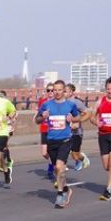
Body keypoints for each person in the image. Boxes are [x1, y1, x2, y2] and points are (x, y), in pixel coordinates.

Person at [36, 80, 82, 208]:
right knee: (57, 169)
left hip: (65, 140)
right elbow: (37, 120)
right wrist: (43, 116)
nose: (56, 92)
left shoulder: (70, 105)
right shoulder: (46, 105)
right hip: (51, 140)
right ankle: (66, 188)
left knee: (60, 166)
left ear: (63, 91)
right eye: (54, 90)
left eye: (59, 90)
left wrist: (72, 119)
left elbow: (78, 117)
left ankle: (60, 194)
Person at [64, 83, 92, 171]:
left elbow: (88, 113)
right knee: (63, 150)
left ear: (71, 92)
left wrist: (79, 121)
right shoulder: (61, 102)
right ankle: (61, 166)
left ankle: (82, 159)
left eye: (65, 91)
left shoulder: (76, 102)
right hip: (65, 132)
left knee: (75, 154)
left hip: (76, 132)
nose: (63, 93)